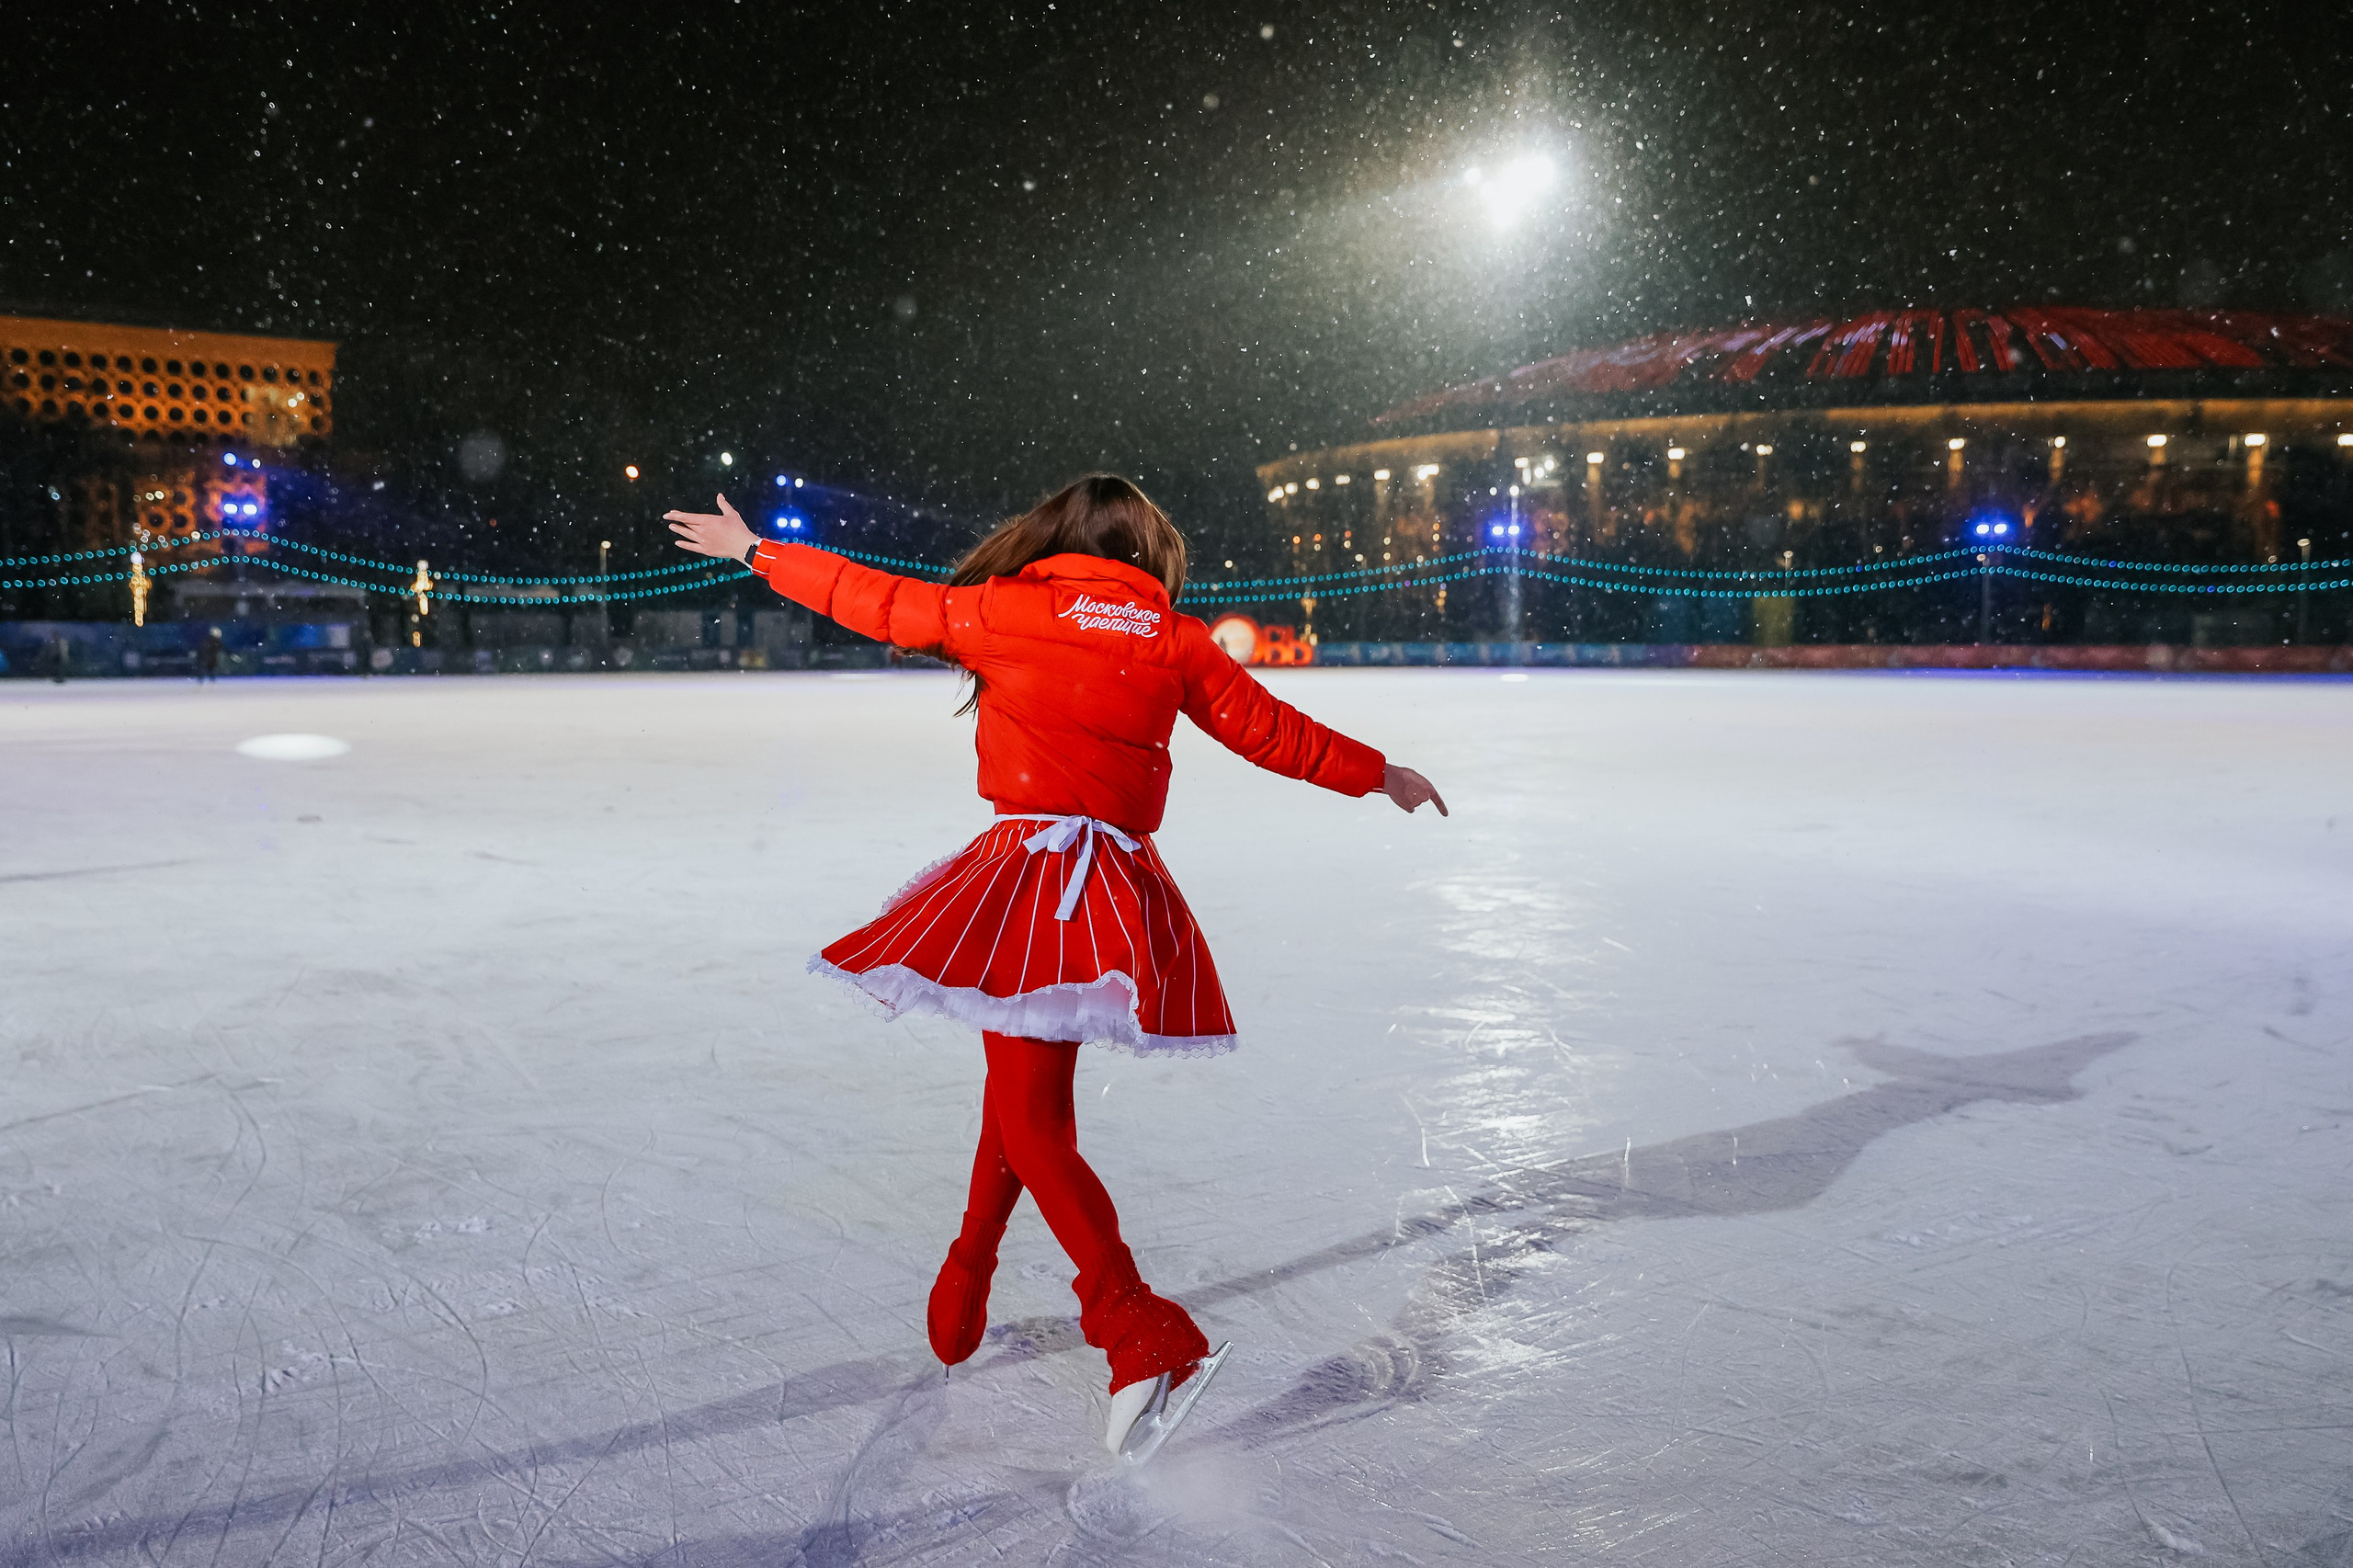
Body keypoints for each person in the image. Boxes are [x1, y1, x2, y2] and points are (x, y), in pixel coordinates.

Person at [665, 475, 1447, 1459]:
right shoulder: (1170, 637)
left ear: (1056, 535)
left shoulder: (1003, 608)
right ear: (1146, 551)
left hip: (1029, 876)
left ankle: (1134, 1326)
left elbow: (873, 599)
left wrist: (756, 551)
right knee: (1025, 1101)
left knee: (1032, 1117)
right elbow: (1267, 730)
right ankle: (966, 1277)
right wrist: (1378, 771)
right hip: (1112, 886)